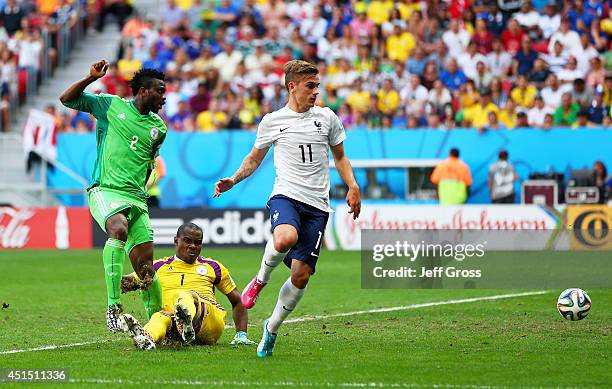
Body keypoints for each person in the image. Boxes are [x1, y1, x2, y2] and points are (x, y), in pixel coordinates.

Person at [213, 60, 361, 358]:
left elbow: (341, 157)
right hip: (287, 195)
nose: (316, 91)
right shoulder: (273, 120)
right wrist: (233, 179)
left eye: (317, 86)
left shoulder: (327, 118)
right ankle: (261, 279)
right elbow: (254, 159)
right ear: (292, 86)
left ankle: (271, 329)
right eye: (310, 86)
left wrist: (353, 186)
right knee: (284, 238)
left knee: (301, 275)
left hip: (318, 206)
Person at [59, 60, 167, 332]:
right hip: (105, 189)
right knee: (117, 229)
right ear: (143, 91)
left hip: (137, 198)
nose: (164, 97)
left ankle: (159, 325)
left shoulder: (159, 128)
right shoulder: (110, 105)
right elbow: (67, 99)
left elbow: (148, 163)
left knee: (146, 269)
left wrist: (144, 186)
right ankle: (113, 307)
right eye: (159, 91)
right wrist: (89, 77)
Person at [120, 223, 256, 350]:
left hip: (209, 322)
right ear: (176, 241)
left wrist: (241, 335)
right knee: (159, 317)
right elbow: (125, 283)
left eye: (197, 243)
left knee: (186, 295)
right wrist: (115, 279)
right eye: (188, 241)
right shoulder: (157, 267)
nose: (193, 246)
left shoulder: (213, 267)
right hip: (174, 326)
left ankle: (185, 321)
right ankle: (146, 338)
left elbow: (238, 300)